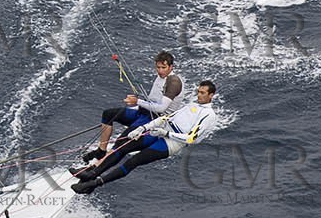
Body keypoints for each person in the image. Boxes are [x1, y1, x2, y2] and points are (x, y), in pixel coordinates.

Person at [71, 80, 218, 193]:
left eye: (203, 93)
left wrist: (166, 133)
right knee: (124, 146)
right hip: (159, 131)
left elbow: (192, 139)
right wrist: (143, 128)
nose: (199, 95)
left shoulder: (208, 115)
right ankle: (91, 174)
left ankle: (93, 185)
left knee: (134, 161)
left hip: (171, 143)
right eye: (199, 91)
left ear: (211, 95)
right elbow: (165, 118)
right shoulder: (192, 104)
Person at [78, 51, 183, 169]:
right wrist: (137, 103)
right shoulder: (161, 77)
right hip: (142, 112)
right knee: (108, 114)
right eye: (158, 67)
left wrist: (137, 101)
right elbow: (153, 98)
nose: (160, 70)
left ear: (171, 67)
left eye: (163, 67)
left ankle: (95, 167)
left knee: (121, 143)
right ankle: (101, 150)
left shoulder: (173, 82)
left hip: (153, 120)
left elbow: (161, 107)